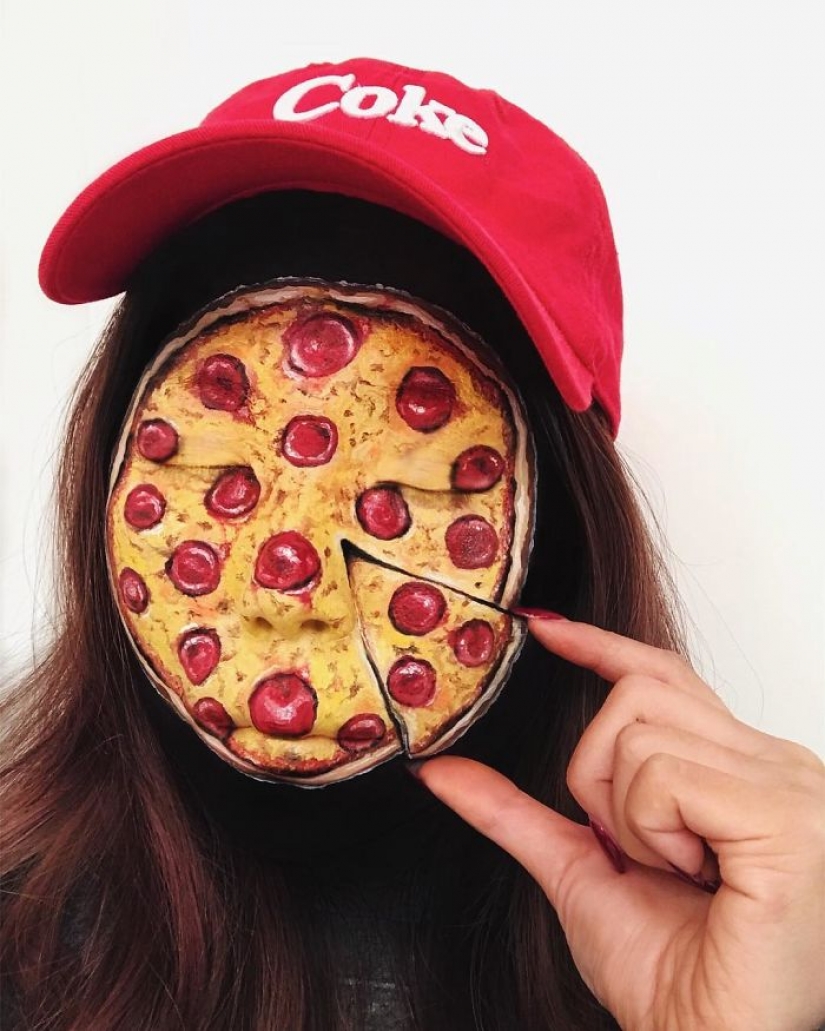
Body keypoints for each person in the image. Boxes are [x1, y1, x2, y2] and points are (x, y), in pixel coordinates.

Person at [1, 58, 822, 1031]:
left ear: (556, 530)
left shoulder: (735, 953)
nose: (289, 574)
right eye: (207, 475)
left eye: (412, 493)